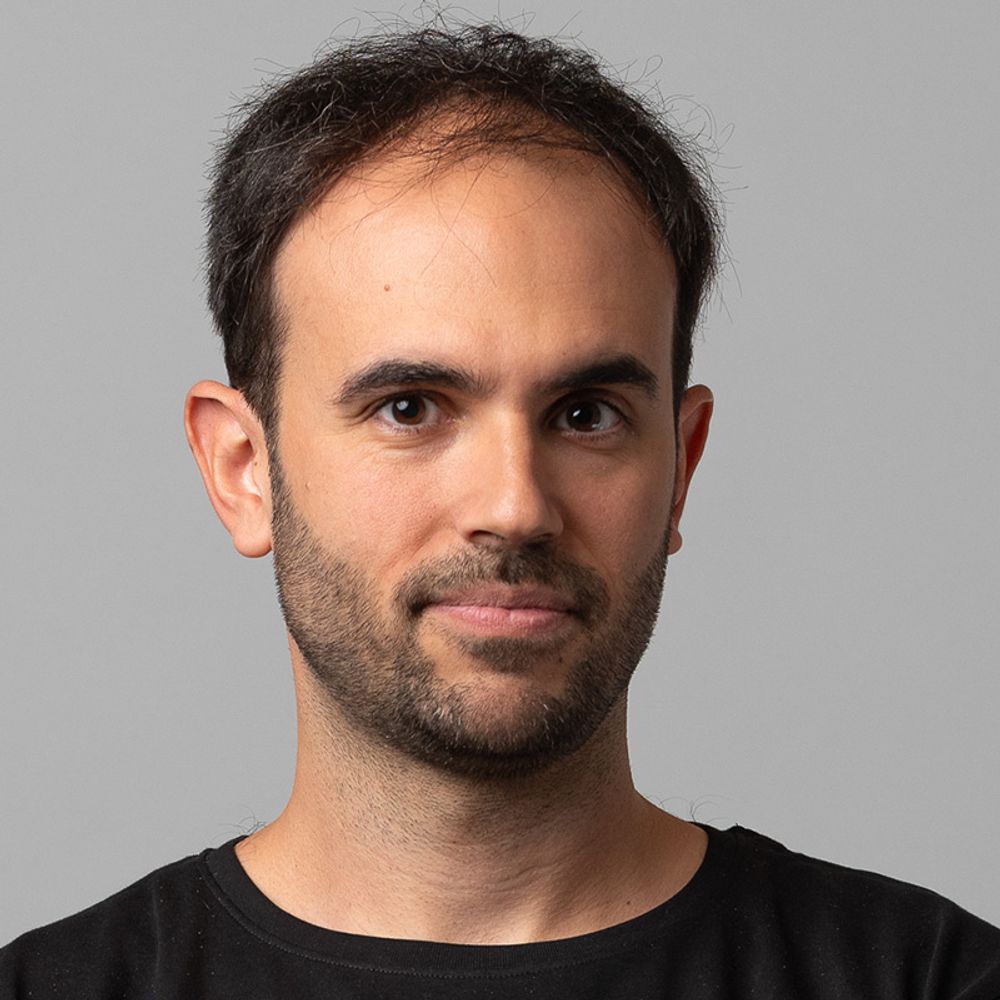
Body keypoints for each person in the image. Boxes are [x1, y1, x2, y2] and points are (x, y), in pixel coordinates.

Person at [2, 22, 998, 999]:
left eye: (586, 414)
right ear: (242, 468)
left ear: (681, 466)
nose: (515, 507)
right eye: (410, 408)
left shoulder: (932, 979)